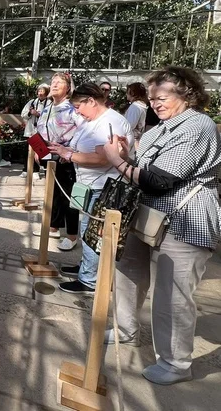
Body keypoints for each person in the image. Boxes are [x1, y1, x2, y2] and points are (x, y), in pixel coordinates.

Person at [102, 66, 221, 385]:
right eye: (151, 96)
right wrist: (128, 156)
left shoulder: (198, 125)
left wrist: (116, 160)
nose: (155, 102)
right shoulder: (158, 129)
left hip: (185, 223)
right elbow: (144, 169)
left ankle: (176, 363)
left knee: (173, 294)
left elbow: (159, 181)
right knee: (128, 273)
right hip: (148, 216)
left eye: (162, 96)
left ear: (187, 93)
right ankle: (126, 330)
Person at [48, 83, 134, 294]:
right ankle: (87, 269)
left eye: (78, 106)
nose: (77, 111)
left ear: (91, 101)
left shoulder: (109, 122)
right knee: (87, 231)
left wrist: (70, 155)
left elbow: (103, 159)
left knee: (93, 232)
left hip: (101, 187)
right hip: (89, 184)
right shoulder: (95, 120)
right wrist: (66, 150)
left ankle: (90, 280)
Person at [35, 73, 82, 241]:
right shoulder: (47, 108)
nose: (54, 85)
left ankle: (71, 235)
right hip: (48, 157)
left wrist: (70, 149)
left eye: (59, 83)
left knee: (68, 195)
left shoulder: (73, 109)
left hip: (66, 158)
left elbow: (83, 131)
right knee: (52, 193)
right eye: (52, 82)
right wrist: (37, 150)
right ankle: (53, 226)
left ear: (68, 88)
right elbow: (40, 130)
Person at [19, 83, 51, 177]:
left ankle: (41, 170)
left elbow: (50, 116)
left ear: (46, 93)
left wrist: (38, 114)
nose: (40, 93)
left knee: (42, 151)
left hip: (42, 132)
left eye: (42, 91)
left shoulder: (49, 103)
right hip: (30, 130)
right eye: (39, 91)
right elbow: (23, 114)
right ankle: (27, 170)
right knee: (28, 152)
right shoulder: (32, 102)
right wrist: (30, 112)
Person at [124, 82, 148, 150]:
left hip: (132, 140)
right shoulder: (141, 105)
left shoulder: (135, 107)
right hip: (137, 138)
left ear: (133, 93)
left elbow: (129, 125)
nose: (126, 94)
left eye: (128, 92)